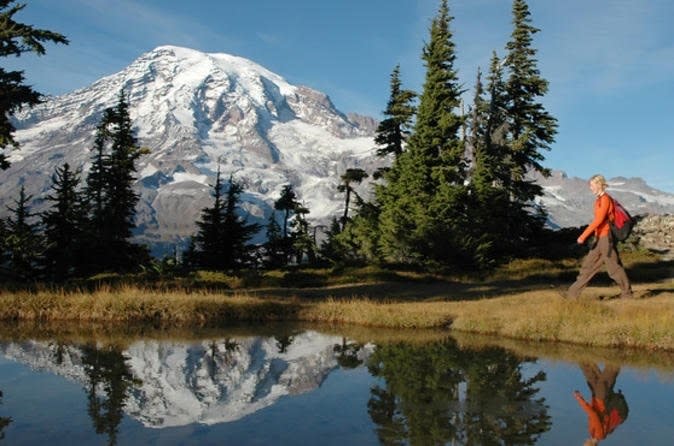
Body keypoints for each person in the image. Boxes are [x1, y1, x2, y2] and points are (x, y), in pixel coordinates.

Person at [563, 174, 633, 299]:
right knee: (588, 266)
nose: (590, 188)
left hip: (606, 238)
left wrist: (583, 236)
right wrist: (595, 236)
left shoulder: (605, 199)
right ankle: (572, 295)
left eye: (591, 185)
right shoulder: (598, 200)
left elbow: (599, 220)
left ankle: (627, 294)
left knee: (614, 268)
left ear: (599, 184)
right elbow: (598, 221)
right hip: (600, 238)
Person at [573, 362, 629, 444]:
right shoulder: (598, 434)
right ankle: (618, 357)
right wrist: (579, 399)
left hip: (597, 398)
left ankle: (582, 356)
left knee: (591, 377)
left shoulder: (593, 433)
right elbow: (593, 414)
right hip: (602, 400)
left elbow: (593, 412)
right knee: (602, 383)